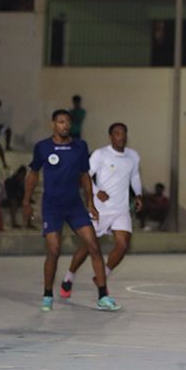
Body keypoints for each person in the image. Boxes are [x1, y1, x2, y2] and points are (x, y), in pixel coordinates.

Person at [23, 109, 120, 312]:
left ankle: (103, 296)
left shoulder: (80, 146)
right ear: (53, 125)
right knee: (54, 250)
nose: (65, 125)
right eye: (60, 122)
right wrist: (26, 201)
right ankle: (48, 294)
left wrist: (91, 203)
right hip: (52, 206)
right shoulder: (43, 147)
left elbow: (85, 176)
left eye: (67, 122)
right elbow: (33, 174)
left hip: (74, 205)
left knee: (94, 245)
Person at [61, 122, 143, 298]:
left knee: (123, 245)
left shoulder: (132, 156)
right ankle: (69, 277)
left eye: (123, 133)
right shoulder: (100, 154)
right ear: (111, 136)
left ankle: (101, 276)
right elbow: (85, 175)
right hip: (101, 210)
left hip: (121, 209)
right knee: (87, 247)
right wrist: (97, 193)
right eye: (117, 133)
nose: (121, 136)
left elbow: (135, 176)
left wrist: (138, 195)